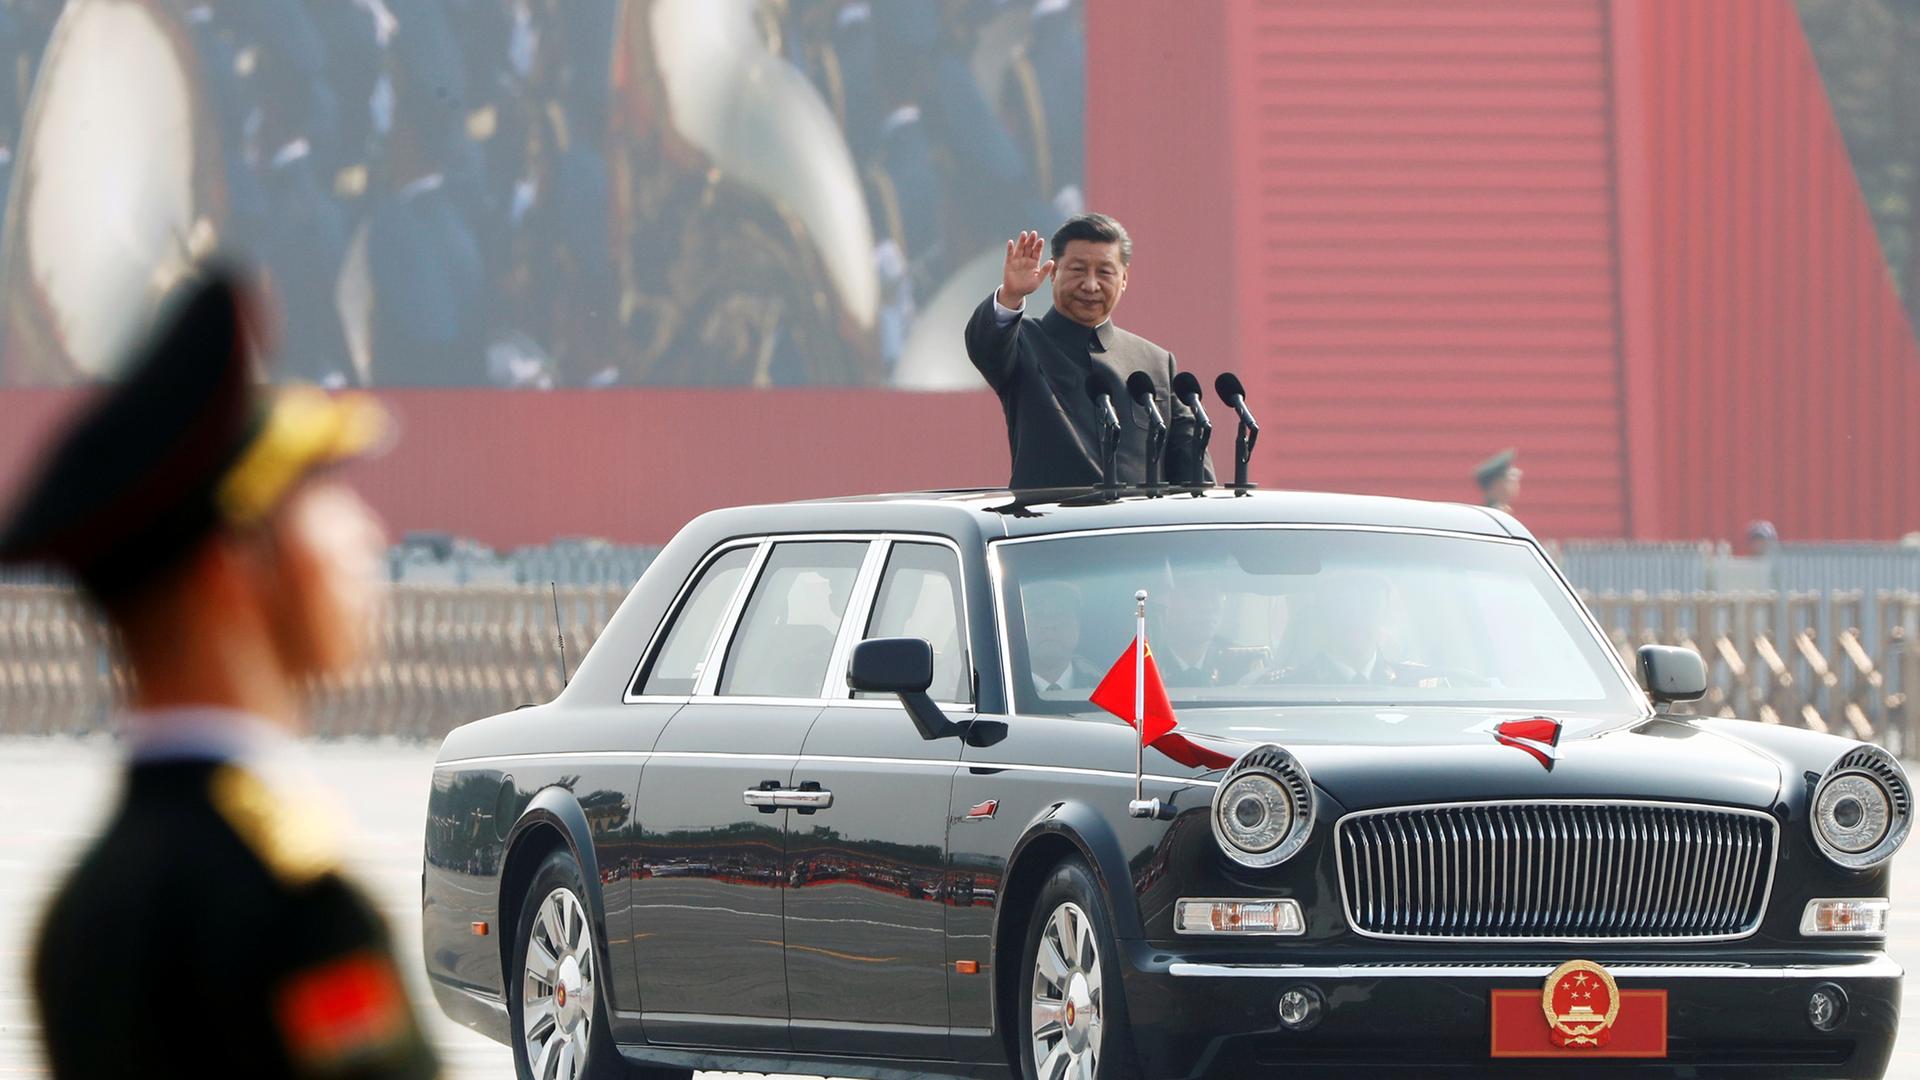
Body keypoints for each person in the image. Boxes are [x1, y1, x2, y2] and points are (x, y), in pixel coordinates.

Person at [0, 271, 439, 1079]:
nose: (365, 535)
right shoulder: (297, 911)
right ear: (230, 568)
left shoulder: (83, 910)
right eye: (319, 498)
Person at [965, 213, 1214, 489]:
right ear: (1054, 273)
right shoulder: (1024, 342)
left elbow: (1192, 472)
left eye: (1105, 272)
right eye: (1078, 270)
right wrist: (1010, 296)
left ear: (1124, 279)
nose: (1091, 285)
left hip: (1139, 529)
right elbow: (985, 345)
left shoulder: (1155, 362)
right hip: (1050, 527)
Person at [1023, 580, 1099, 692]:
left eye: (1061, 613)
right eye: (1037, 614)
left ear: (1078, 624)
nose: (1049, 624)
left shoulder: (1109, 692)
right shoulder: (997, 690)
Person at [1475, 448, 1521, 514]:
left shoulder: (1502, 510)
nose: (1516, 483)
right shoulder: (1496, 514)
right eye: (1511, 478)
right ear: (1496, 485)